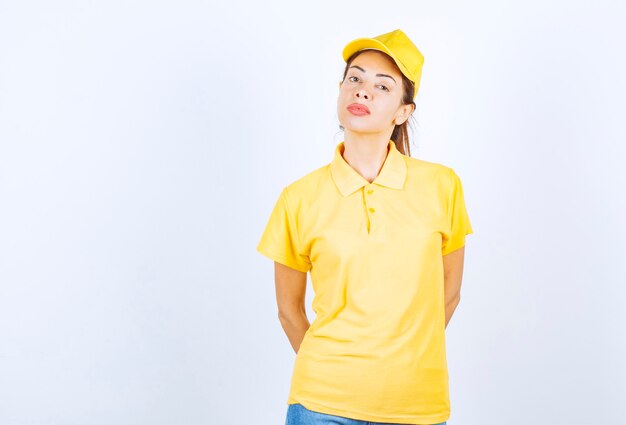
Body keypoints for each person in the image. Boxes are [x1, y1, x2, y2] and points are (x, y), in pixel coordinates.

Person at [256, 28, 474, 425]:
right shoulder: (299, 197)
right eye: (354, 79)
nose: (362, 91)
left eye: (382, 85)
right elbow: (288, 311)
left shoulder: (442, 186)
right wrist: (339, 372)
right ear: (340, 91)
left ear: (403, 111)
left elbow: (450, 293)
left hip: (417, 407)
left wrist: (401, 359)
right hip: (322, 406)